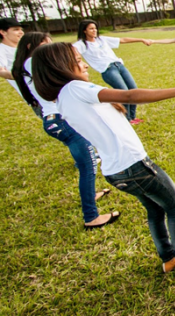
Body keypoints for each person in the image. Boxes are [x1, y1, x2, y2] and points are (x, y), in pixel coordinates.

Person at [31, 42, 175, 274]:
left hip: (114, 172)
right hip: (133, 164)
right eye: (77, 60)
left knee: (155, 210)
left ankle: (168, 259)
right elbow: (129, 94)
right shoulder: (74, 88)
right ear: (59, 66)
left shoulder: (61, 99)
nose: (84, 64)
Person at [12, 32, 117, 229]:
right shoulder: (34, 62)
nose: (51, 49)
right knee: (88, 165)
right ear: (31, 47)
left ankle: (90, 194)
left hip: (55, 120)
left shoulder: (27, 65)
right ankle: (91, 217)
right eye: (46, 44)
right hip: (62, 121)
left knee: (85, 162)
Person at [73, 19, 152, 124]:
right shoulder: (82, 44)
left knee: (134, 90)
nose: (94, 30)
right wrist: (80, 62)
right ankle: (126, 119)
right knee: (124, 93)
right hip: (108, 70)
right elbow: (71, 51)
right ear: (84, 31)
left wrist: (141, 39)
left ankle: (132, 117)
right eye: (91, 29)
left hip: (119, 65)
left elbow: (122, 40)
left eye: (95, 28)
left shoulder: (101, 39)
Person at [0, 18, 25, 99]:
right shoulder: (1, 50)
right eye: (16, 29)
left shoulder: (26, 47)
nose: (21, 32)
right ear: (3, 32)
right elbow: (1, 71)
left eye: (21, 29)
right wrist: (20, 76)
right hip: (34, 96)